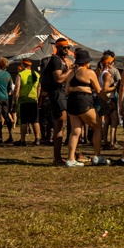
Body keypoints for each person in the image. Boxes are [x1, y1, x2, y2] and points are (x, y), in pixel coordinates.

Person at [63, 48, 103, 167]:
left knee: (75, 131)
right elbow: (98, 90)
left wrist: (75, 88)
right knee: (97, 127)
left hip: (72, 102)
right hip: (84, 101)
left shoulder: (71, 73)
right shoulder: (89, 72)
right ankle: (97, 157)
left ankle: (71, 159)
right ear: (86, 62)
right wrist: (108, 100)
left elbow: (66, 91)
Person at [43, 38, 72, 166]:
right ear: (57, 47)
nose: (66, 49)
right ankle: (57, 158)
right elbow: (59, 79)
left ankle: (58, 157)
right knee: (60, 125)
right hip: (57, 94)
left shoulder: (61, 60)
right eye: (63, 47)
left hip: (60, 94)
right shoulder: (55, 60)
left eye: (68, 47)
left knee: (61, 125)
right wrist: (70, 70)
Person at [15, 58, 41, 146]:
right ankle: (37, 139)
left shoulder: (20, 74)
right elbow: (39, 87)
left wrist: (14, 100)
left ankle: (23, 140)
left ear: (23, 64)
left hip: (23, 100)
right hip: (34, 100)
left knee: (24, 121)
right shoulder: (36, 74)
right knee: (35, 120)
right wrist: (37, 97)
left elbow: (17, 89)